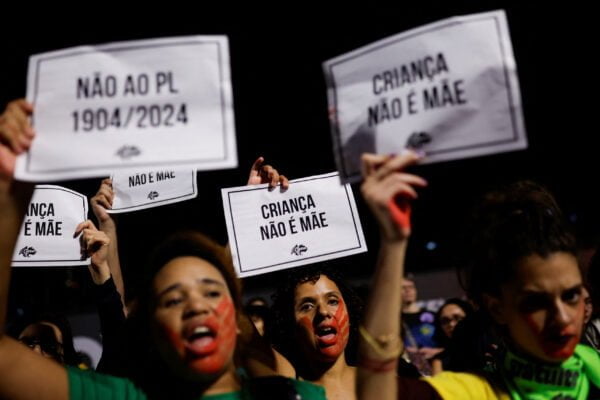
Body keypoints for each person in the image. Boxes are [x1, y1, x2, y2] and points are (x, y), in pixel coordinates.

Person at [0, 99, 325, 399]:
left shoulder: (289, 395)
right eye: (173, 299)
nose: (196, 307)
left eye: (212, 293)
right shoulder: (127, 396)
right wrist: (9, 194)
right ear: (149, 329)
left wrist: (249, 216)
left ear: (237, 315)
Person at [357, 150, 600, 399]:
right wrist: (393, 242)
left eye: (571, 296)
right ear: (497, 309)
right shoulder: (475, 393)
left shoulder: (596, 373)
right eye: (536, 302)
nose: (561, 317)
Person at [269, 264, 364, 400]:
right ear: (290, 324)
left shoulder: (384, 382)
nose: (323, 312)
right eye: (307, 306)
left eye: (332, 301)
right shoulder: (289, 391)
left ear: (349, 313)